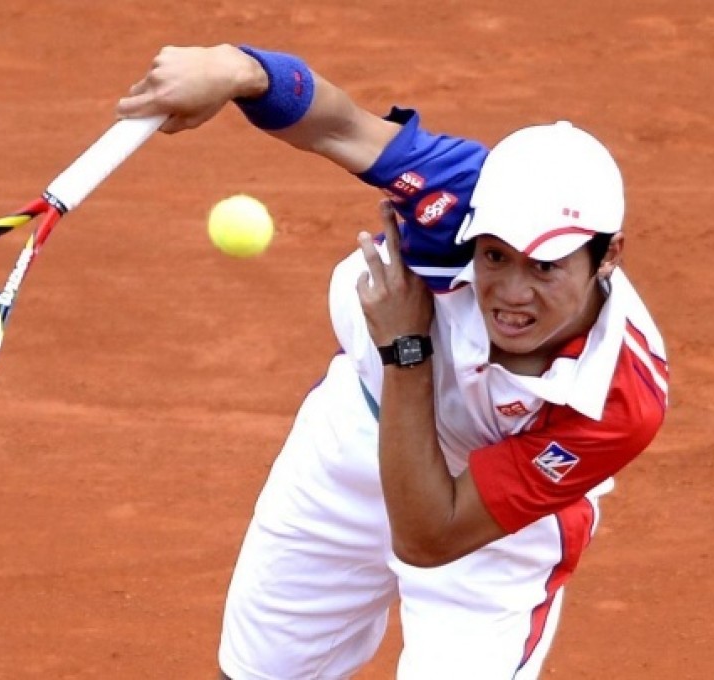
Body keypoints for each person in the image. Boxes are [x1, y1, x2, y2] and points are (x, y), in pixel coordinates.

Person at [117, 44, 669, 679]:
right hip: (356, 437)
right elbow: (339, 125)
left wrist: (407, 348)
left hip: (490, 527)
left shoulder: (620, 399)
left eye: (545, 266)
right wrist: (236, 68)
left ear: (608, 255)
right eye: (494, 256)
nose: (513, 293)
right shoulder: (459, 194)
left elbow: (429, 536)